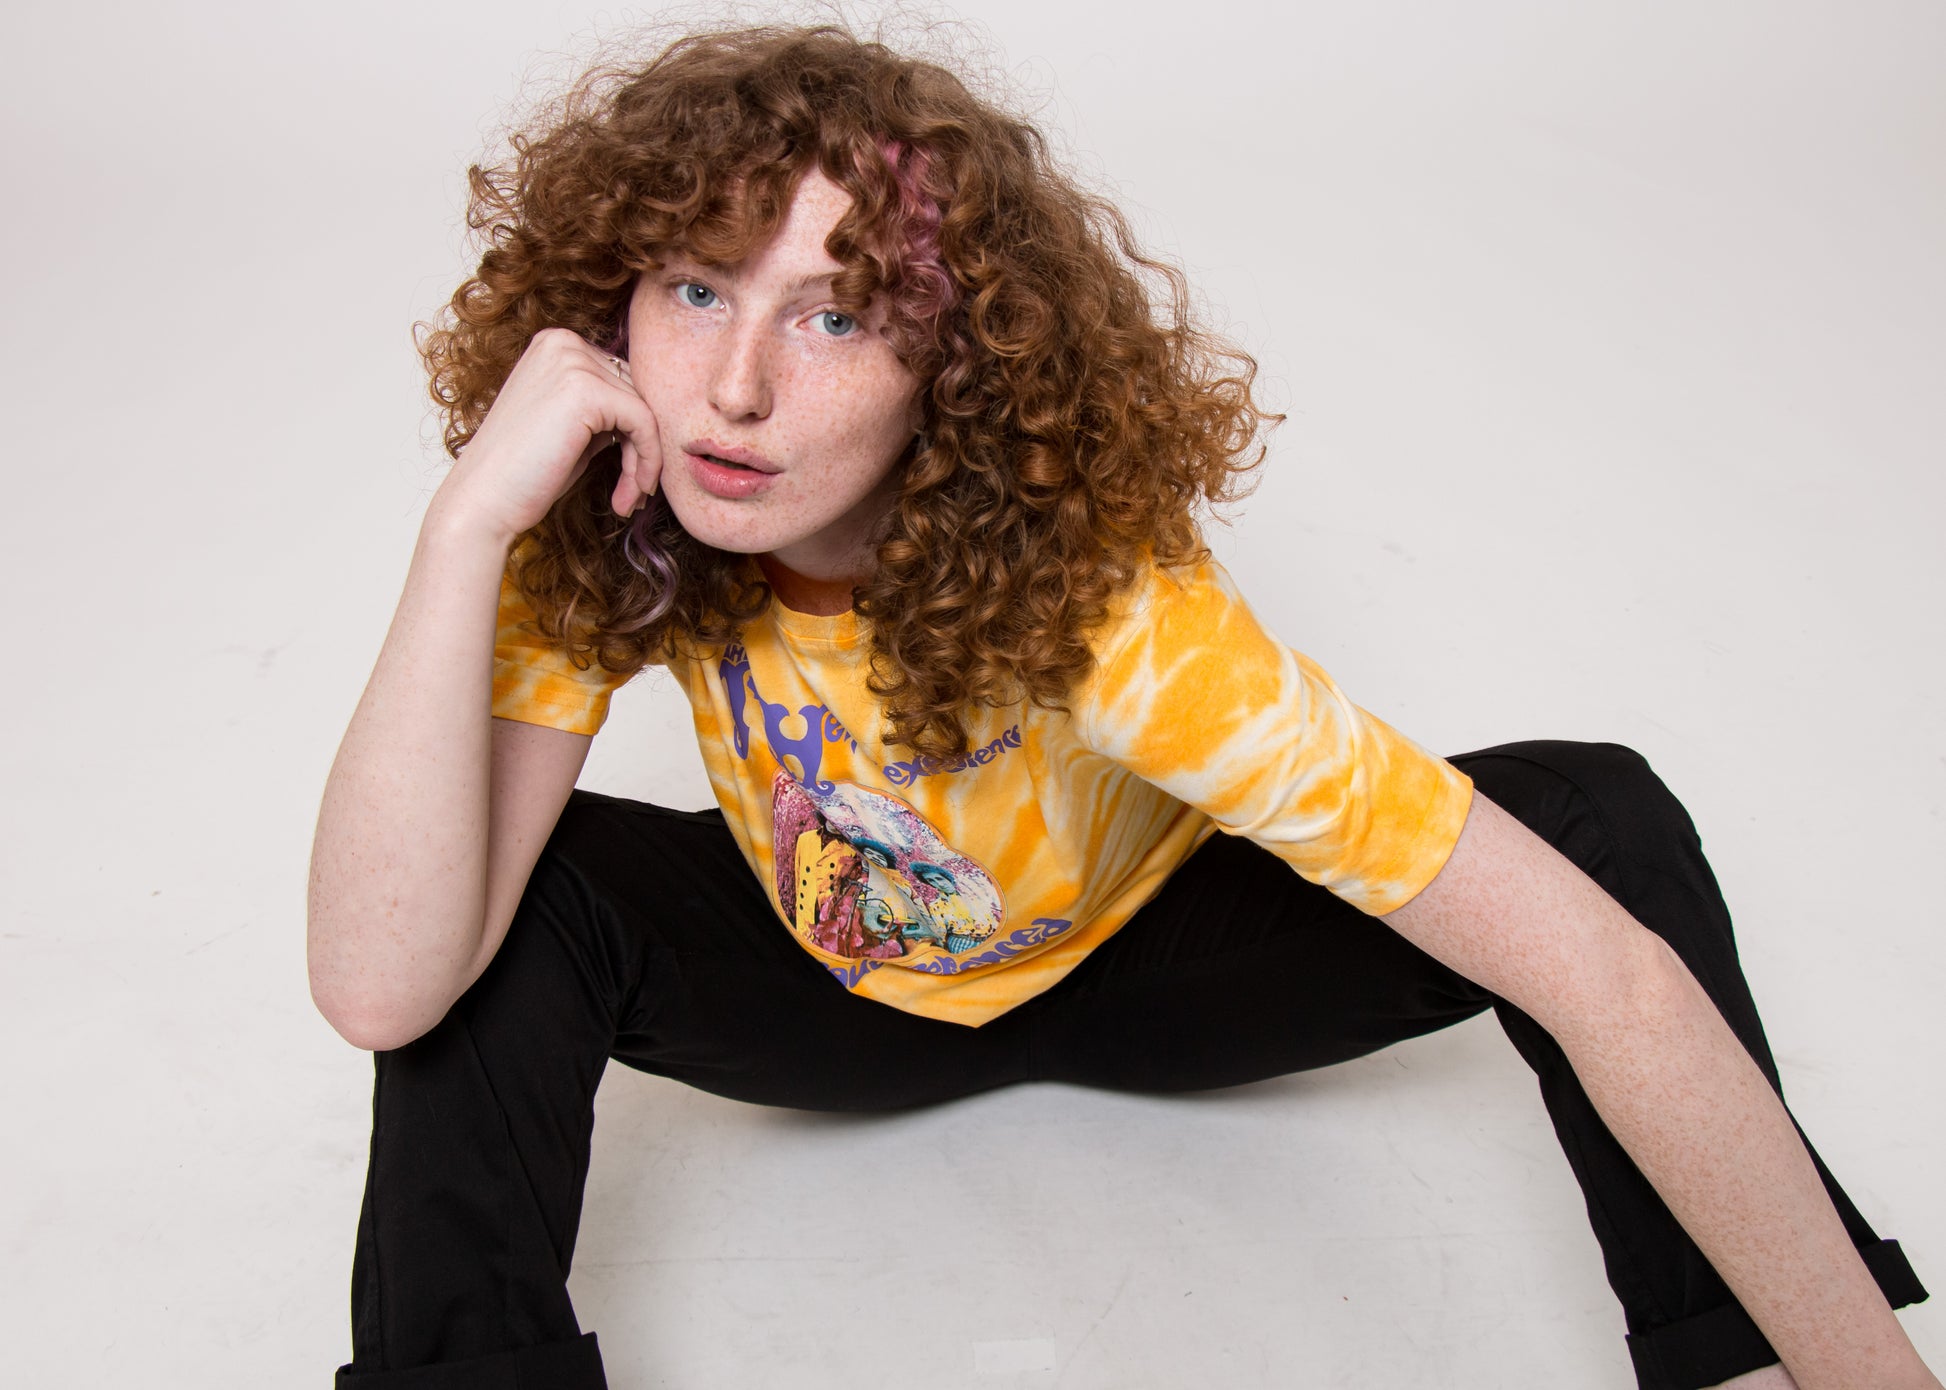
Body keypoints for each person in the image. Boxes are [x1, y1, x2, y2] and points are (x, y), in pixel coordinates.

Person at [306, 23, 1935, 1390]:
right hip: (827, 973)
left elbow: (1608, 979)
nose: (734, 389)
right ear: (610, 305)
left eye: (836, 313)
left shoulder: (1116, 616)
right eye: (695, 289)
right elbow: (385, 982)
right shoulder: (618, 520)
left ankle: (1746, 1359)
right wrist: (466, 527)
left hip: (1145, 963)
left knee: (1594, 822)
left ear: (948, 362)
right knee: (497, 891)